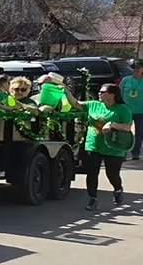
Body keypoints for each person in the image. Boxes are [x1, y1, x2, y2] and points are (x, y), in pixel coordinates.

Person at [57, 81, 134, 210]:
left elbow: (127, 127)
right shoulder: (93, 105)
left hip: (113, 147)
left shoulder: (122, 109)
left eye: (103, 92)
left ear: (112, 95)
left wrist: (112, 124)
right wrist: (66, 91)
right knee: (92, 173)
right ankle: (92, 199)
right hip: (93, 145)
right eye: (99, 92)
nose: (99, 94)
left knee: (112, 174)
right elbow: (75, 104)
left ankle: (118, 189)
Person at [119, 58, 143, 160]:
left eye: (138, 68)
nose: (135, 70)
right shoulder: (125, 80)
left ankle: (135, 153)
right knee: (124, 132)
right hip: (126, 111)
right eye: (134, 68)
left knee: (139, 133)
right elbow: (119, 94)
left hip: (141, 111)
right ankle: (123, 153)